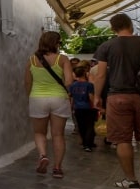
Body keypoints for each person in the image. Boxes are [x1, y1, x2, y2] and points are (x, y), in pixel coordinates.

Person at [93, 13, 140, 189]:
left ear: (113, 28)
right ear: (130, 25)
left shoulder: (106, 46)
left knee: (123, 139)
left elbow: (101, 74)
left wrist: (96, 96)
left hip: (118, 97)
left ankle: (131, 179)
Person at [25, 30, 73, 178]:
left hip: (37, 98)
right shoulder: (62, 59)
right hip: (58, 98)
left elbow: (27, 82)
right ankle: (57, 168)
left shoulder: (32, 60)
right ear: (56, 43)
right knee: (58, 134)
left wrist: (31, 96)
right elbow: (69, 81)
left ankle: (43, 155)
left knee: (40, 132)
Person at [69, 64, 97, 152]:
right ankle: (88, 144)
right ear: (85, 73)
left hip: (77, 108)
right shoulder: (89, 85)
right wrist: (96, 106)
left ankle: (85, 142)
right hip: (88, 108)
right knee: (89, 126)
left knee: (81, 126)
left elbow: (71, 97)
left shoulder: (73, 85)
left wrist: (71, 107)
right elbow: (91, 97)